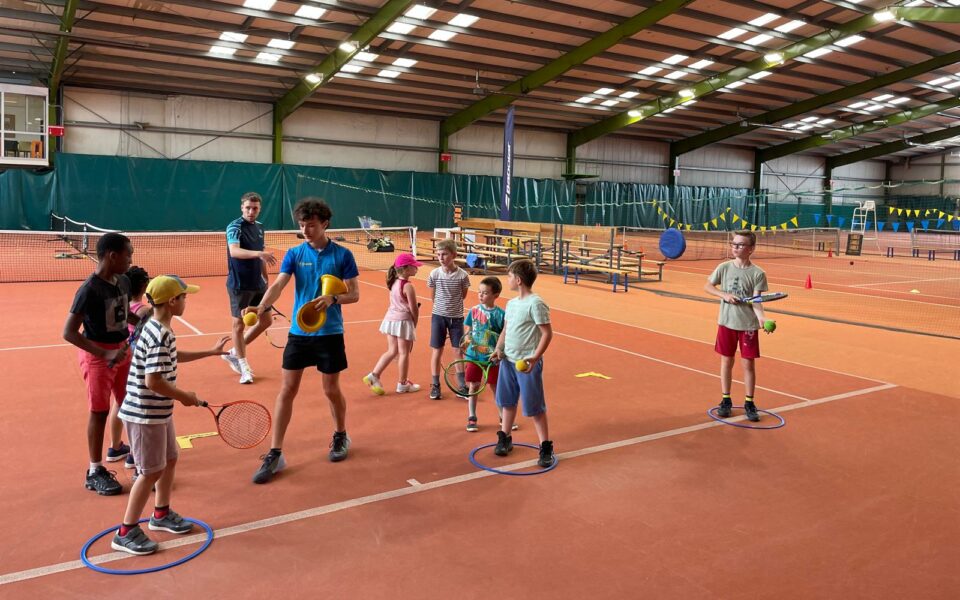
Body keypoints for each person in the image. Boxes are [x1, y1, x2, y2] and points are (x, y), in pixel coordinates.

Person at [111, 275, 228, 555]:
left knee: (170, 459)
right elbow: (154, 381)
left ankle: (160, 514)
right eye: (185, 296)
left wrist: (210, 352)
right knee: (149, 472)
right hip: (145, 414)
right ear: (173, 301)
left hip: (157, 412)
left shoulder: (155, 327)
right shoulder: (161, 334)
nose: (187, 300)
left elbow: (172, 357)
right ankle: (125, 531)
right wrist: (184, 396)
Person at [246, 198, 360, 485]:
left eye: (311, 225)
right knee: (287, 390)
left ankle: (340, 435)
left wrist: (333, 298)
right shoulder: (295, 254)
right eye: (302, 225)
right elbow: (279, 285)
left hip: (330, 332)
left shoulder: (343, 255)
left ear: (325, 224)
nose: (306, 230)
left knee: (331, 389)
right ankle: (275, 452)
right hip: (299, 332)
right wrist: (261, 307)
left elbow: (354, 294)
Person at [63, 232, 140, 496]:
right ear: (112, 256)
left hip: (122, 351)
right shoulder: (88, 290)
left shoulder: (124, 282)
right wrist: (104, 354)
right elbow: (69, 332)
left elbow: (122, 311)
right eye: (128, 254)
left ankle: (128, 453)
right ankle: (95, 470)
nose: (131, 259)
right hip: (98, 356)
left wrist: (141, 322)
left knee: (129, 403)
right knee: (99, 411)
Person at [492, 259, 555, 468]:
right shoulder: (511, 304)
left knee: (535, 407)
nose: (507, 280)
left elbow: (547, 333)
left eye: (509, 276)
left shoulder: (536, 303)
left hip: (527, 364)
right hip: (508, 362)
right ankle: (505, 437)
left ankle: (545, 446)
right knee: (507, 402)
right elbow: (506, 330)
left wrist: (535, 357)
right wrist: (498, 349)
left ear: (518, 280)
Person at [703, 230, 772, 422]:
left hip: (748, 325)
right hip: (726, 322)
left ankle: (749, 402)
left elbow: (756, 299)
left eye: (740, 244)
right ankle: (726, 399)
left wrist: (761, 318)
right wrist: (724, 295)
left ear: (751, 249)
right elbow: (707, 286)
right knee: (727, 360)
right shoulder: (723, 267)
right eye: (734, 243)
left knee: (748, 364)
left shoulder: (758, 273)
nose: (735, 247)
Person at [222, 192, 277, 384]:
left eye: (255, 208)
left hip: (258, 284)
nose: (251, 211)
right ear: (242, 208)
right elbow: (234, 251)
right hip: (239, 284)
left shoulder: (260, 228)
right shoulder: (234, 227)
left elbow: (260, 255)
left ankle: (235, 352)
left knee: (266, 321)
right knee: (239, 325)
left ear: (260, 209)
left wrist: (266, 278)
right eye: (248, 208)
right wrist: (259, 253)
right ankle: (243, 366)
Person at [363, 252, 422, 395]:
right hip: (402, 321)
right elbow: (414, 309)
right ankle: (402, 384)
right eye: (414, 266)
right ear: (407, 268)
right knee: (403, 354)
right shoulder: (408, 286)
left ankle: (374, 375)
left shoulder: (394, 282)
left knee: (392, 351)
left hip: (390, 320)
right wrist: (414, 323)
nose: (417, 269)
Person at [462, 276, 511, 433]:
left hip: (491, 357)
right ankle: (472, 416)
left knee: (495, 387)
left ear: (495, 295)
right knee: (473, 386)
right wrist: (467, 340)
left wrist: (500, 351)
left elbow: (504, 335)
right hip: (474, 355)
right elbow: (468, 330)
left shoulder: (501, 314)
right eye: (479, 292)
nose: (481, 295)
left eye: (485, 293)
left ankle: (503, 416)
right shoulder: (474, 310)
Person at [427, 239, 470, 400]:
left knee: (458, 351)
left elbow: (463, 295)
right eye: (438, 254)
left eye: (444, 254)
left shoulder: (463, 276)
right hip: (438, 317)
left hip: (457, 319)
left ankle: (461, 385)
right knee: (437, 350)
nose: (441, 257)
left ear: (454, 255)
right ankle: (435, 385)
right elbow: (433, 296)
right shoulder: (434, 274)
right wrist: (441, 309)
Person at [122, 265, 153, 475]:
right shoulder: (144, 311)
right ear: (144, 285)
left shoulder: (123, 307)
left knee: (123, 402)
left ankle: (118, 447)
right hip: (142, 360)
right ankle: (138, 459)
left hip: (127, 357)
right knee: (144, 407)